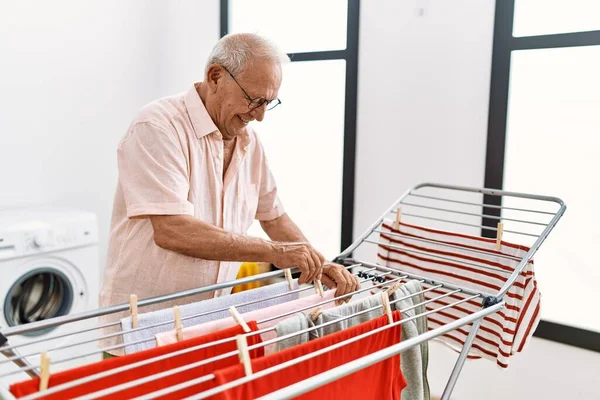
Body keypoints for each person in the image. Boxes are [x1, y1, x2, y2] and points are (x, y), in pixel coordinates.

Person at [98, 33, 359, 356]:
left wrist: (320, 264)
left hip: (209, 326)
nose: (260, 115)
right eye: (254, 99)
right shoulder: (157, 127)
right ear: (215, 76)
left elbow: (273, 216)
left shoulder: (250, 144)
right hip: (141, 333)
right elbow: (172, 230)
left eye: (268, 103)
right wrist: (275, 252)